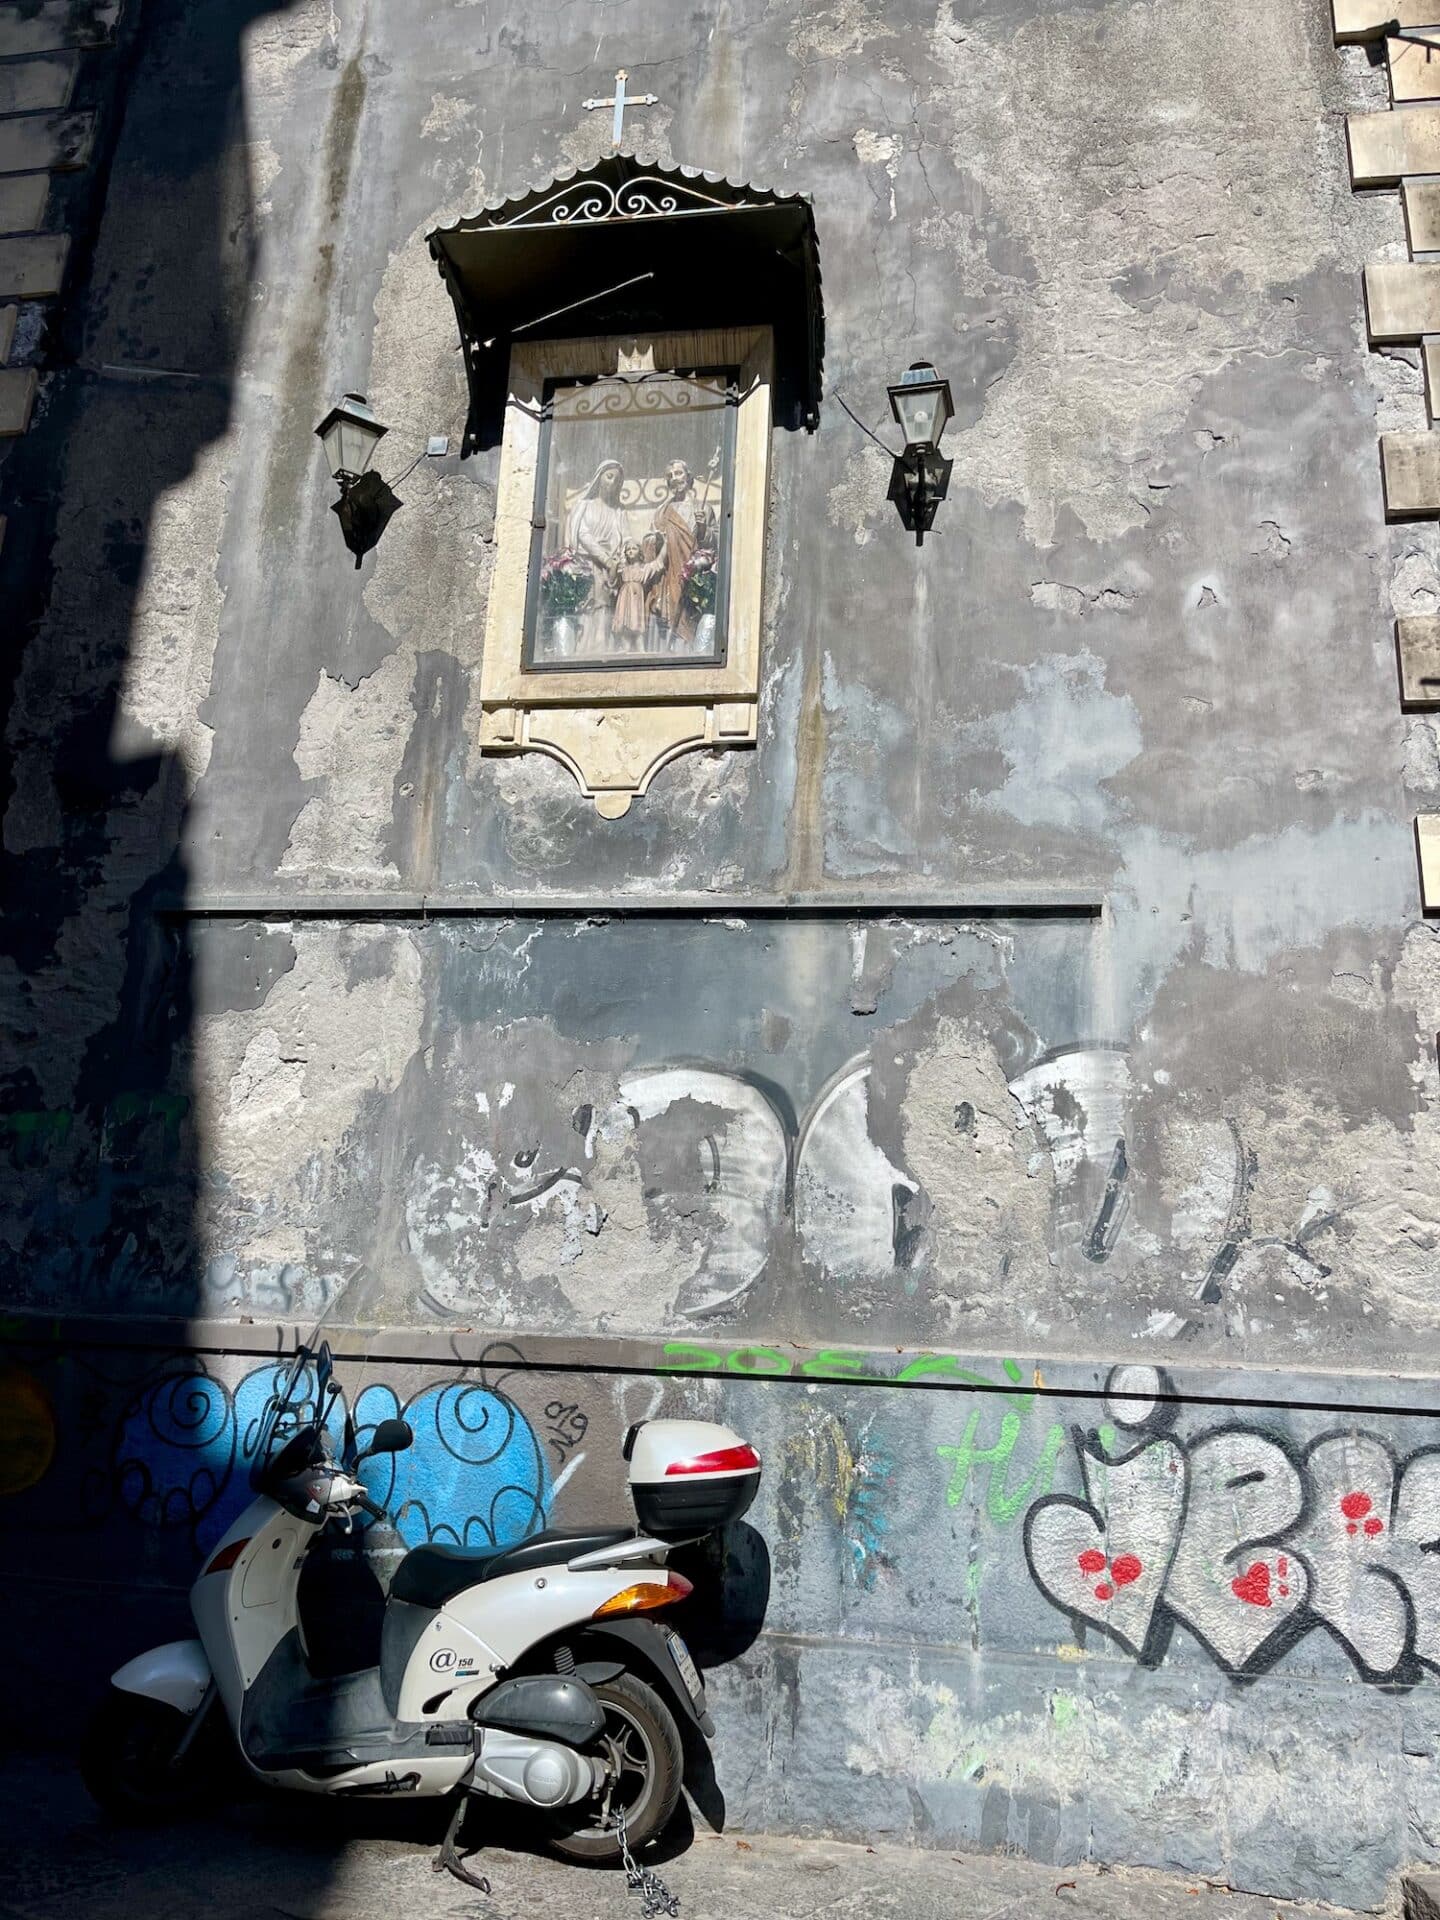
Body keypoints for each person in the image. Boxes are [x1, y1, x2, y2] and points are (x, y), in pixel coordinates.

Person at [649, 459, 716, 648]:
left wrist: (703, 528)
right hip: (670, 575)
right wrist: (657, 539)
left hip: (692, 575)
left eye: (678, 473)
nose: (674, 478)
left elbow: (714, 544)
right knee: (671, 616)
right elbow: (650, 542)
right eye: (670, 475)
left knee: (689, 616)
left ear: (688, 477)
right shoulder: (661, 511)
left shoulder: (703, 508)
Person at [562, 458, 626, 655]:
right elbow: (583, 534)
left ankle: (602, 646)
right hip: (586, 562)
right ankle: (582, 648)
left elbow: (625, 537)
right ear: (599, 478)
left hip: (609, 568)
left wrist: (620, 560)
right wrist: (606, 559)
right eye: (609, 476)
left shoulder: (619, 512)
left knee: (604, 605)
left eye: (617, 480)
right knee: (587, 606)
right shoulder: (584, 505)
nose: (613, 482)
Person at [611, 536, 666, 653]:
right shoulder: (622, 569)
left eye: (634, 548)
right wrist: (614, 565)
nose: (630, 551)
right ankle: (625, 646)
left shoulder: (643, 568)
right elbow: (612, 581)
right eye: (628, 549)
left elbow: (659, 562)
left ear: (639, 551)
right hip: (624, 597)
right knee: (624, 622)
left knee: (637, 621)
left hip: (636, 598)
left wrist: (666, 543)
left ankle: (640, 647)